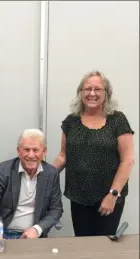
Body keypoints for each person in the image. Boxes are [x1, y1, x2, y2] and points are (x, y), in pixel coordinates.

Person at [53, 70, 135, 237]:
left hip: (109, 197)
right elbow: (63, 156)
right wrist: (41, 176)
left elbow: (127, 160)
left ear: (106, 93)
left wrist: (113, 195)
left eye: (97, 89)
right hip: (78, 197)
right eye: (87, 89)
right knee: (83, 245)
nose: (92, 93)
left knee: (103, 247)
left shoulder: (117, 120)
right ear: (80, 93)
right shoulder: (71, 121)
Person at [0, 129, 63, 253]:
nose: (31, 155)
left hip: (32, 238)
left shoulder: (51, 173)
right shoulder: (4, 170)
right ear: (18, 151)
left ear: (44, 152)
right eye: (26, 150)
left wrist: (37, 229)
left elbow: (56, 209)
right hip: (2, 235)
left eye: (35, 150)